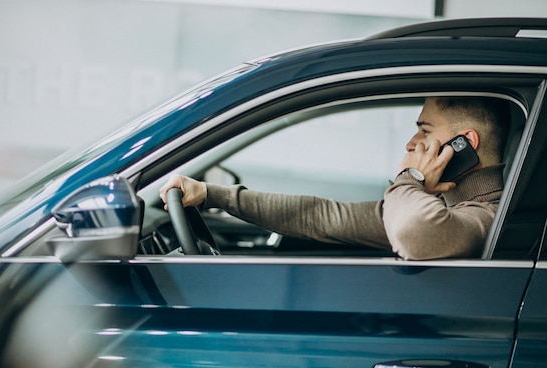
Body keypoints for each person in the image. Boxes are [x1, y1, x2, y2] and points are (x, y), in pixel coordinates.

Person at [160, 96, 511, 260]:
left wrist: (411, 176)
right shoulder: (440, 205)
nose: (411, 143)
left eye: (424, 130)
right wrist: (212, 194)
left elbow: (413, 232)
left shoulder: (487, 218)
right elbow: (321, 216)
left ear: (465, 144)